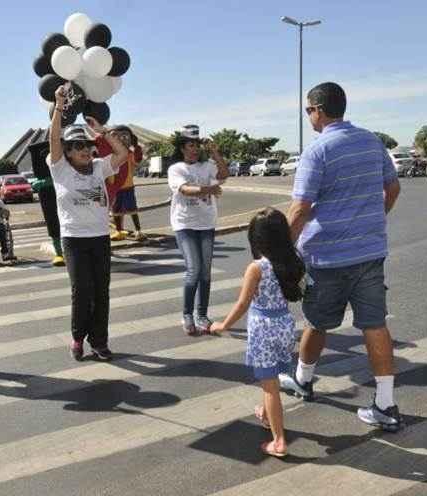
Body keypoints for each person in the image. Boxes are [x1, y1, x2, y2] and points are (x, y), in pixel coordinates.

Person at [282, 82, 403, 432]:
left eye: (308, 110)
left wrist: (283, 253)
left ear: (319, 109)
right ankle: (385, 404)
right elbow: (393, 187)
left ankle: (303, 380)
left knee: (317, 322)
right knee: (375, 324)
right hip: (369, 253)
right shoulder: (371, 140)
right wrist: (374, 219)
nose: (308, 116)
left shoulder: (317, 150)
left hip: (327, 257)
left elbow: (300, 208)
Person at [210, 208, 305, 458]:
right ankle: (265, 416)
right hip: (285, 326)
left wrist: (224, 325)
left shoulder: (257, 268)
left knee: (269, 388)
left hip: (264, 330)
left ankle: (279, 441)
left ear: (257, 239)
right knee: (271, 378)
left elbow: (242, 304)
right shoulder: (292, 261)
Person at [48, 84, 128, 362]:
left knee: (101, 291)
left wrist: (103, 131)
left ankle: (100, 341)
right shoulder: (59, 170)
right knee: (81, 290)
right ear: (68, 151)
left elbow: (122, 155)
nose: (84, 150)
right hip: (74, 239)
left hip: (100, 237)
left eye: (87, 146)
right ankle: (77, 337)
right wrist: (59, 106)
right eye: (77, 146)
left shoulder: (99, 167)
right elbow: (54, 140)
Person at [167, 124, 229, 335]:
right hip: (184, 225)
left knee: (205, 272)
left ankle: (202, 315)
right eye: (190, 145)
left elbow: (223, 173)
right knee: (193, 269)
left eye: (197, 145)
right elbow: (184, 189)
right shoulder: (176, 169)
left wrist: (215, 151)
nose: (194, 149)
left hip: (206, 224)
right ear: (183, 148)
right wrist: (207, 189)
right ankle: (187, 314)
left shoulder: (206, 165)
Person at [104, 126, 145, 242]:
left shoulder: (130, 154)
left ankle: (138, 230)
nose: (122, 138)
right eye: (117, 136)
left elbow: (137, 160)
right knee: (116, 210)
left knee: (132, 209)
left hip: (127, 186)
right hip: (114, 187)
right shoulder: (111, 154)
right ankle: (119, 231)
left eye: (125, 135)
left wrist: (137, 148)